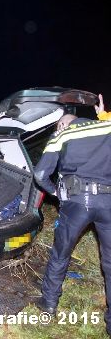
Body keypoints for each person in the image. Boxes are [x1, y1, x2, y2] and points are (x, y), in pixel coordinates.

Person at [33, 110, 111, 334]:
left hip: (76, 203)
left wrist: (57, 192)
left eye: (59, 125)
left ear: (62, 124)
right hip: (108, 202)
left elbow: (40, 174)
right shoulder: (107, 127)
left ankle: (48, 303)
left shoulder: (63, 135)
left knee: (61, 254)